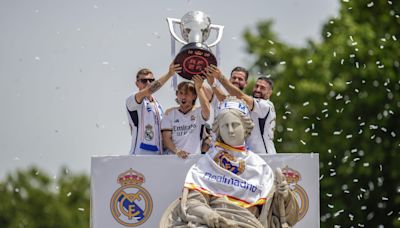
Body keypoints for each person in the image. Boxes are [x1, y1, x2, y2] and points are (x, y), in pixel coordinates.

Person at [160, 97, 299, 228]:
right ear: (218, 129)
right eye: (225, 126)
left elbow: (281, 215)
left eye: (235, 125)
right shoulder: (208, 162)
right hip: (214, 223)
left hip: (248, 224)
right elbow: (193, 201)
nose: (230, 130)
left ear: (246, 128)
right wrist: (207, 214)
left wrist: (284, 196)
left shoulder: (260, 166)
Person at [204, 65, 277, 154]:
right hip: (250, 156)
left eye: (262, 88)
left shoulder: (266, 105)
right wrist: (212, 84)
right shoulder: (251, 103)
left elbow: (240, 96)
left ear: (269, 93)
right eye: (256, 86)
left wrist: (220, 77)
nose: (258, 89)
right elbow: (225, 99)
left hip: (265, 156)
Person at [126, 63, 181, 155]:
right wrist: (169, 74)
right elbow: (149, 90)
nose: (148, 83)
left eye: (151, 80)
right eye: (144, 81)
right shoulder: (132, 100)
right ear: (137, 83)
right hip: (140, 155)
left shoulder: (158, 106)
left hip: (157, 156)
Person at [161, 75, 210, 159]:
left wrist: (199, 88)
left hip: (193, 159)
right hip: (172, 158)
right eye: (180, 93)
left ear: (194, 96)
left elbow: (207, 112)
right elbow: (166, 139)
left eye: (187, 94)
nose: (183, 97)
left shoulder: (199, 112)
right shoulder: (169, 113)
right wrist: (178, 151)